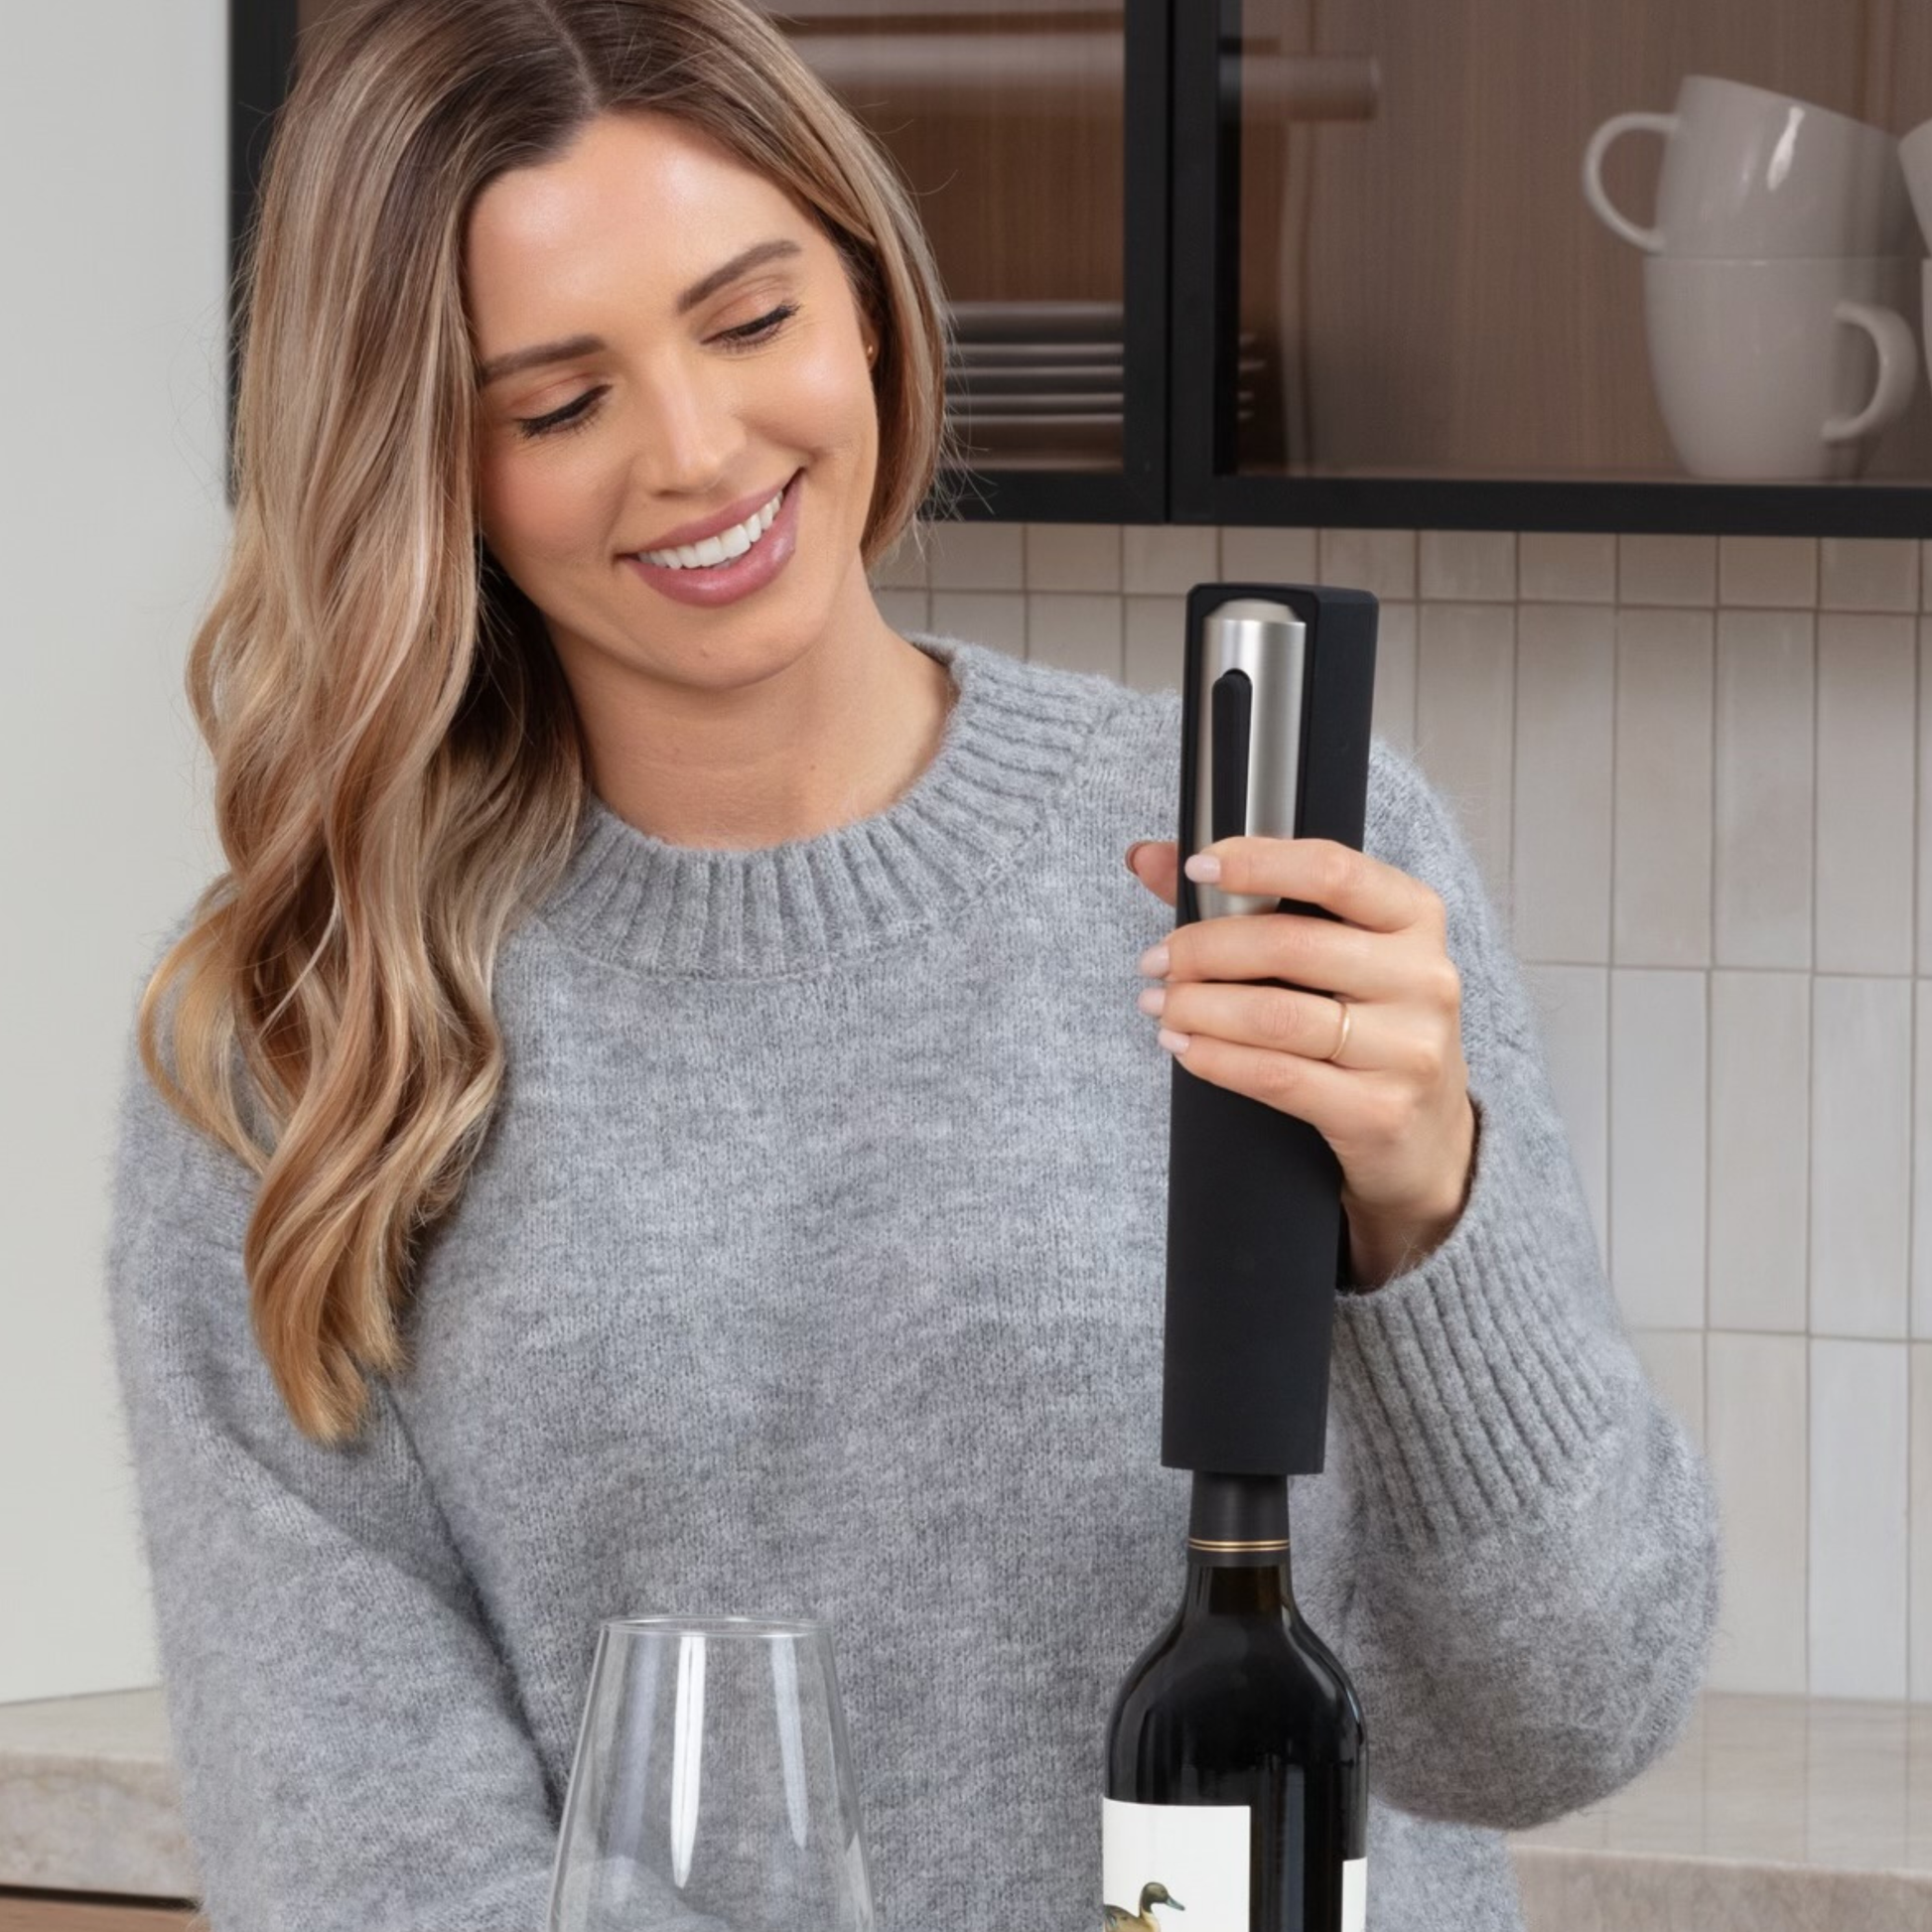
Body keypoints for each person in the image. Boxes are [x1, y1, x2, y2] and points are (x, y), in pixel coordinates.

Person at [104, 1, 1721, 1927]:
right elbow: (371, 1871)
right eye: (557, 405)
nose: (695, 449)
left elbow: (1563, 1716)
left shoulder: (1286, 869)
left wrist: (1425, 1206)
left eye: (749, 319)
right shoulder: (302, 1040)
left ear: (866, 301)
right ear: (426, 465)